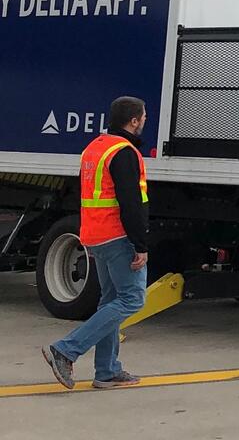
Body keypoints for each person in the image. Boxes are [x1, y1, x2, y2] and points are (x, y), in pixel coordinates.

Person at [42, 97, 150, 390]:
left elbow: (85, 193)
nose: (144, 122)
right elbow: (131, 204)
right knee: (132, 299)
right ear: (133, 121)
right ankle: (66, 350)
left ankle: (107, 371)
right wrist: (141, 244)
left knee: (110, 300)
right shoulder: (125, 153)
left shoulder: (94, 148)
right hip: (118, 236)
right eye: (143, 117)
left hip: (95, 234)